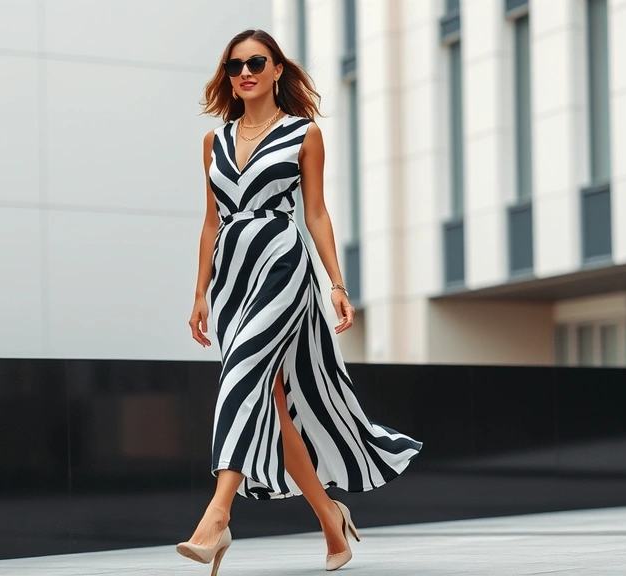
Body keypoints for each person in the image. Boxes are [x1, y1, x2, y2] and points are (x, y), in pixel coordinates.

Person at [176, 29, 422, 575]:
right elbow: (212, 222)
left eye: (256, 62)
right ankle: (331, 519)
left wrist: (337, 283)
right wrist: (199, 292)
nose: (246, 72)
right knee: (276, 407)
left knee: (240, 375)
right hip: (232, 278)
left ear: (276, 70)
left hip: (283, 265)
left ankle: (216, 518)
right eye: (236, 64)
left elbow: (315, 214)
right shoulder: (212, 144)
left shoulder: (302, 134)